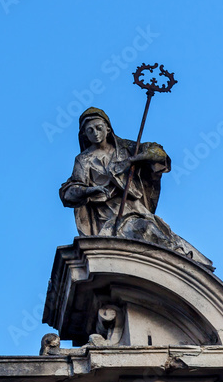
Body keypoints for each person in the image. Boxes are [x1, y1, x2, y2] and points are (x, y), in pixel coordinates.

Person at [60, 107, 212, 269]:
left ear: (108, 129)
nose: (95, 133)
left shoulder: (126, 149)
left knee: (151, 230)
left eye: (99, 128)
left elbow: (158, 153)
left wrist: (133, 160)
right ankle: (179, 260)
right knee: (146, 230)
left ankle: (181, 260)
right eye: (90, 130)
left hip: (134, 208)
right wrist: (90, 190)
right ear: (85, 134)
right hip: (107, 216)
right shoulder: (84, 160)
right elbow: (69, 193)